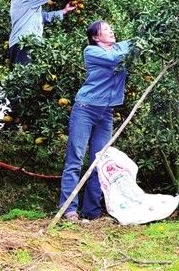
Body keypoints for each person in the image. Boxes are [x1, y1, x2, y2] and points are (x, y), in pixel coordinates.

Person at [59, 20, 137, 221]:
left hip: (106, 113)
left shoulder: (118, 47)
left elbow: (136, 42)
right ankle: (69, 209)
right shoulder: (91, 51)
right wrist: (134, 44)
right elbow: (115, 58)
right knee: (75, 159)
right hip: (85, 109)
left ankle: (91, 212)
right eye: (106, 30)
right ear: (95, 37)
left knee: (100, 161)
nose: (111, 31)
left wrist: (143, 37)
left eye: (111, 28)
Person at [9, 0, 77, 65]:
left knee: (25, 76)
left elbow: (45, 17)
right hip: (23, 43)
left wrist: (64, 11)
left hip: (25, 43)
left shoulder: (30, 4)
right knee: (24, 76)